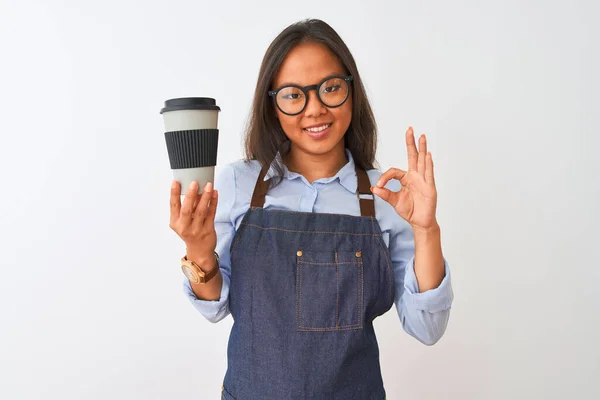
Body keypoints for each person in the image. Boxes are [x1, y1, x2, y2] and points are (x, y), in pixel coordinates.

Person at [169, 18, 453, 400]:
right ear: (272, 105)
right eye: (293, 95)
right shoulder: (239, 185)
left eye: (330, 88)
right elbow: (213, 310)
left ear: (352, 91)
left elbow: (426, 328)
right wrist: (198, 250)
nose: (315, 109)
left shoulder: (388, 195)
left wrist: (426, 229)